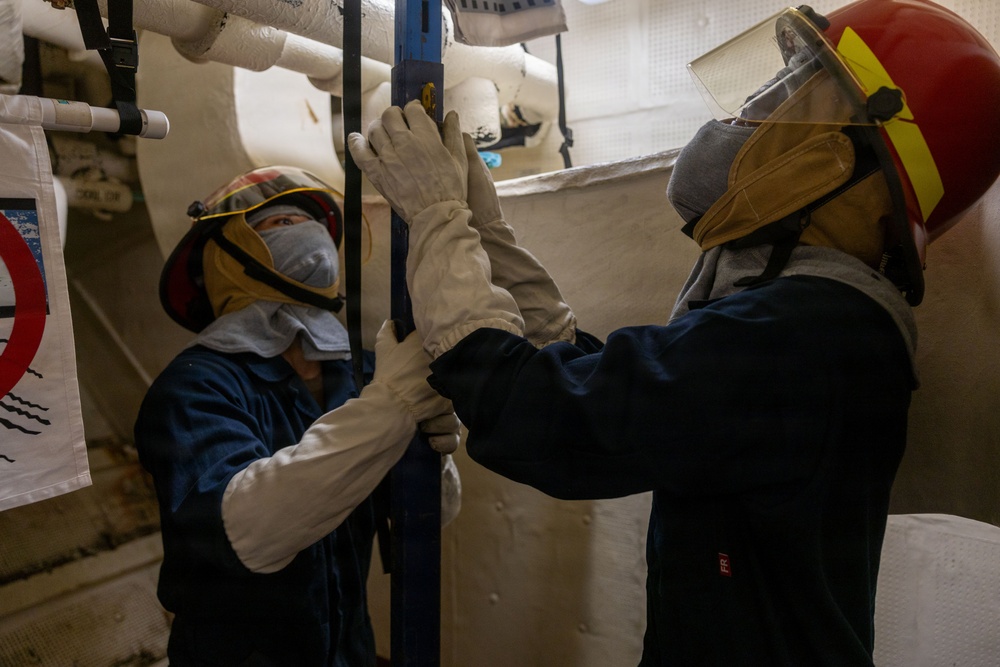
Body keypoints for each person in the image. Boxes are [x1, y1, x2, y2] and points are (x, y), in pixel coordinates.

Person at [347, 1, 1000, 664]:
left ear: (858, 163)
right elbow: (627, 392)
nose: (760, 114)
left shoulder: (807, 335)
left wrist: (434, 217)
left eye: (799, 98)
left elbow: (553, 417)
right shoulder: (818, 326)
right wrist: (487, 236)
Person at [134, 166, 459, 666]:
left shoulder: (366, 373)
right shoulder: (195, 385)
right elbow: (250, 532)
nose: (303, 232)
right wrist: (392, 408)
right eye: (277, 225)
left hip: (347, 652)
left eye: (306, 221)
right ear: (227, 258)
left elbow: (427, 514)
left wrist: (434, 458)